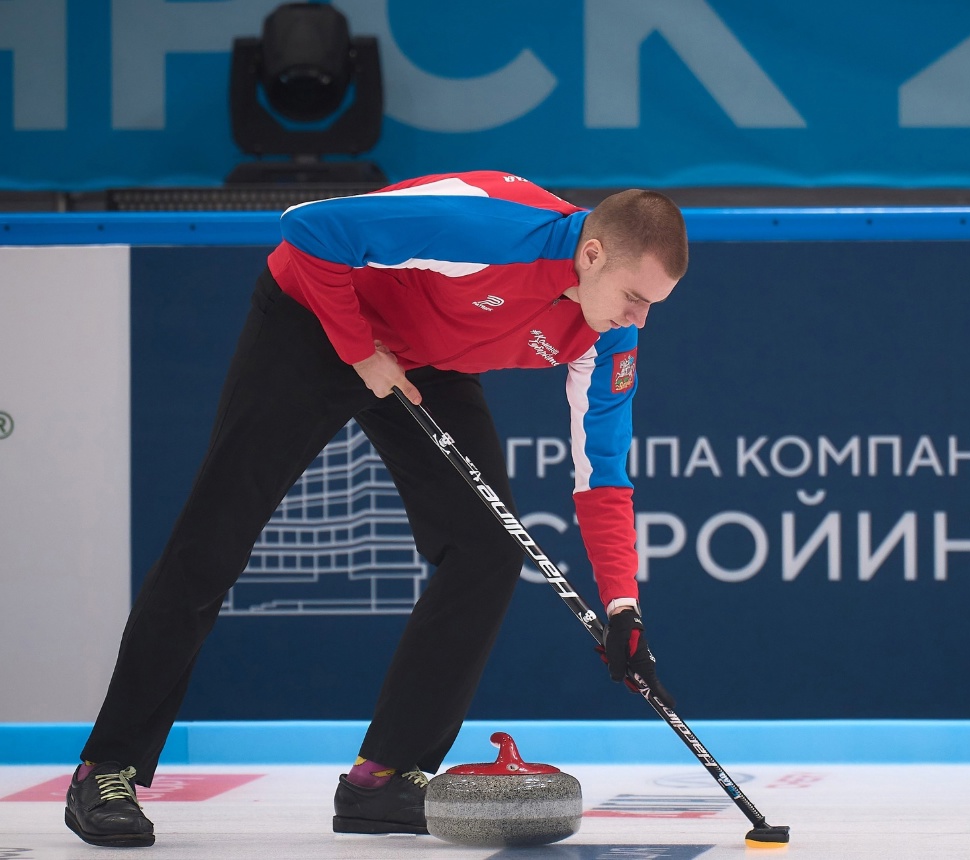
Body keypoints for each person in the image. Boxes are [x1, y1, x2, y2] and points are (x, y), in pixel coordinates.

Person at [63, 170, 689, 847]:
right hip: (316, 317)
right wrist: (359, 349)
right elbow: (308, 227)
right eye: (633, 297)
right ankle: (107, 767)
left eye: (653, 305)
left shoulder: (609, 335)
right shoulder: (489, 226)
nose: (639, 320)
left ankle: (383, 779)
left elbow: (603, 476)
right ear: (592, 254)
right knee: (214, 539)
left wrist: (623, 608)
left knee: (485, 549)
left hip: (426, 358)